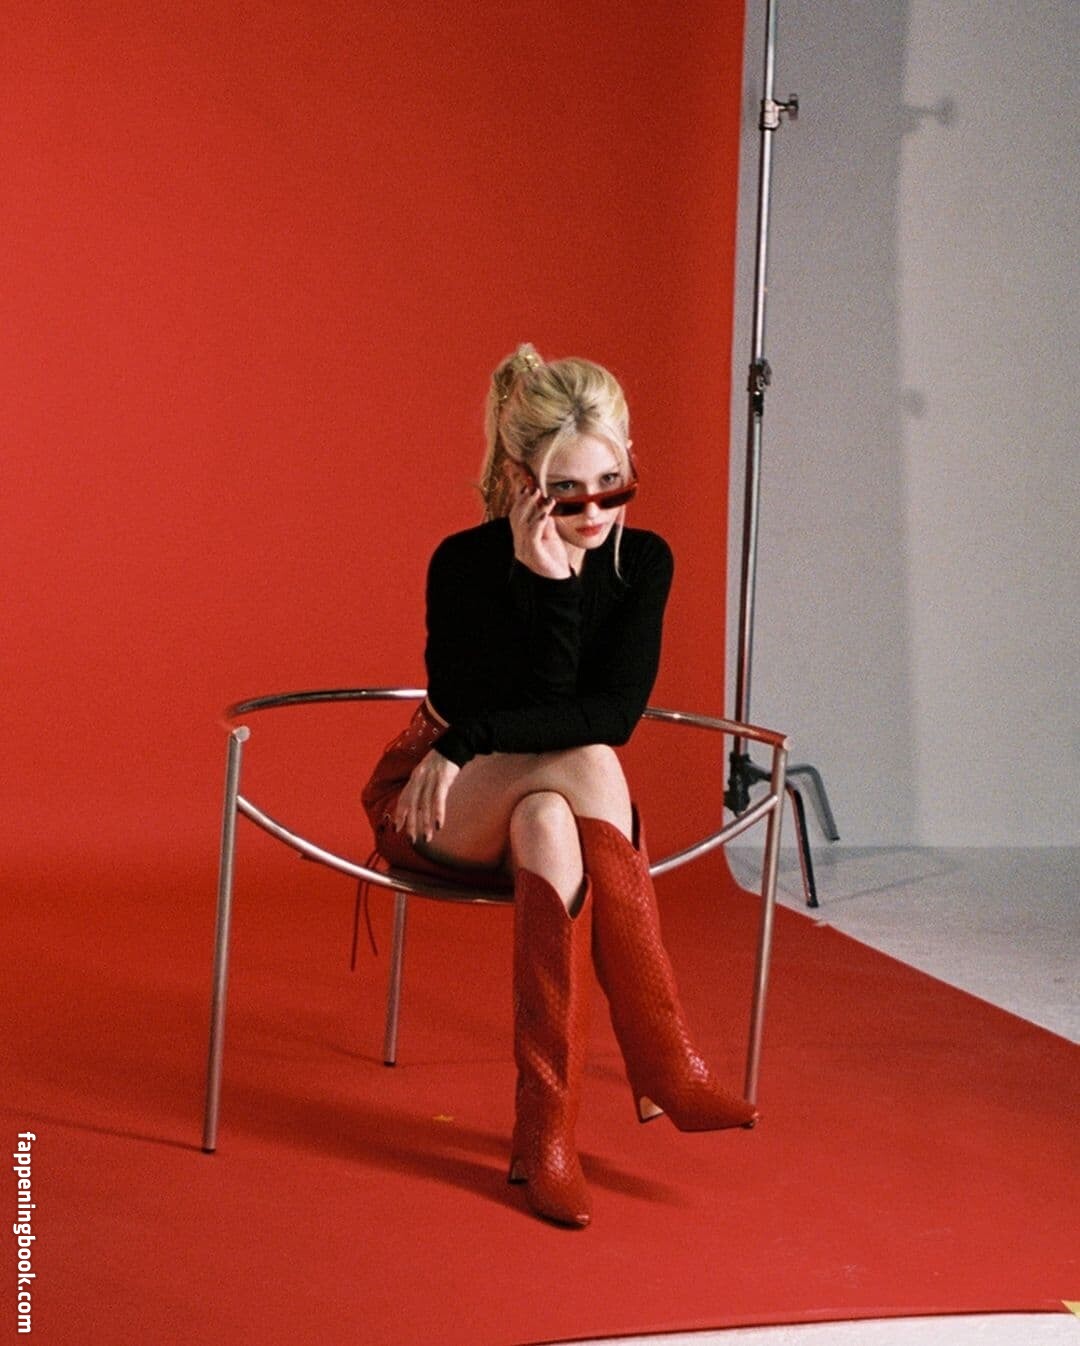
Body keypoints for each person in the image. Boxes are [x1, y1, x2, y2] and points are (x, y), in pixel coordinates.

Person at [362, 343, 757, 1229]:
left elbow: (608, 711)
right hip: (435, 800)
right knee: (590, 764)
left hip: (514, 786)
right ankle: (664, 1059)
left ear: (630, 463)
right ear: (520, 481)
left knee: (551, 813)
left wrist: (477, 735)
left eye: (614, 486)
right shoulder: (464, 564)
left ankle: (544, 1138)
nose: (596, 513)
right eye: (568, 494)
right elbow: (508, 711)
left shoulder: (642, 562)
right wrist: (542, 587)